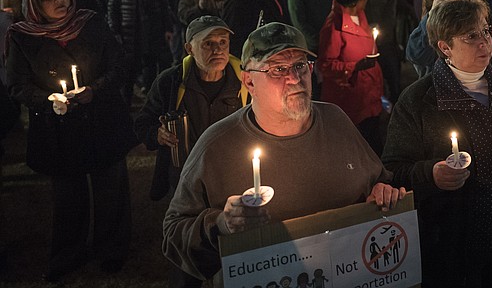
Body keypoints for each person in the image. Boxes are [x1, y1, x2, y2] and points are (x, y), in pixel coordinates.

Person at [162, 22, 405, 282]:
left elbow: (380, 179)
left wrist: (382, 191)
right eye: (278, 69)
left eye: (300, 65)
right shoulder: (216, 145)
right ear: (249, 81)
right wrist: (221, 225)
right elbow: (174, 234)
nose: (295, 78)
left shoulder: (336, 120)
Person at [382, 0, 492, 287]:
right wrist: (431, 175)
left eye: (485, 31)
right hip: (449, 246)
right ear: (444, 47)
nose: (483, 42)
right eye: (470, 36)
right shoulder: (419, 100)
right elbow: (392, 171)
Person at [6, 0, 137, 281]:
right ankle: (69, 251)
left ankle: (112, 249)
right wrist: (48, 99)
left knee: (110, 189)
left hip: (101, 120)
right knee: (68, 196)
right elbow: (16, 85)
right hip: (57, 130)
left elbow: (119, 64)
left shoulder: (90, 22)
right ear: (35, 4)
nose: (60, 1)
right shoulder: (22, 36)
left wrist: (95, 89)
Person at [135, 16, 245, 288]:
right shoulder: (170, 83)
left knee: (230, 241)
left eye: (223, 42)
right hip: (184, 179)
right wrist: (157, 135)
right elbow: (142, 123)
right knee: (187, 246)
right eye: (208, 43)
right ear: (189, 48)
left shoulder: (245, 81)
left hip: (231, 177)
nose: (218, 49)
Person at [317, 0, 384, 153]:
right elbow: (325, 64)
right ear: (354, 0)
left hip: (368, 96)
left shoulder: (360, 15)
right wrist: (355, 66)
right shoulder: (333, 28)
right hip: (352, 103)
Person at [107, 0, 174, 103]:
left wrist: (168, 28)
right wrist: (115, 33)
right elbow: (112, 10)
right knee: (129, 71)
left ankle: (151, 101)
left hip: (152, 32)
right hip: (130, 34)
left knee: (151, 66)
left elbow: (165, 7)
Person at [350, 0, 400, 102]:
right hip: (360, 34)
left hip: (384, 32)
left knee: (392, 71)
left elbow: (392, 1)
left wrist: (385, 26)